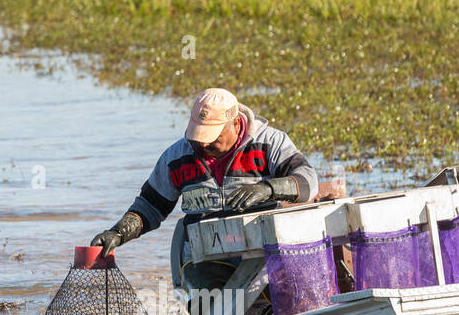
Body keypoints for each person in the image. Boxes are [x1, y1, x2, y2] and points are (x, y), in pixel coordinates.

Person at [89, 88, 319, 267]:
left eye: (212, 136)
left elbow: (308, 181)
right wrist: (118, 233)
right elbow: (150, 206)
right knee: (210, 307)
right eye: (199, 135)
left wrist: (268, 188)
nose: (203, 143)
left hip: (263, 251)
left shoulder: (270, 143)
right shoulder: (175, 157)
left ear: (236, 123)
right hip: (202, 257)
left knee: (261, 309)